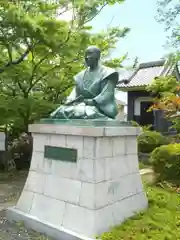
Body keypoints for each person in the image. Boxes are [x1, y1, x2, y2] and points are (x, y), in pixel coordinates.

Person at [50, 46, 119, 119]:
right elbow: (75, 92)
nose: (86, 57)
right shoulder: (80, 75)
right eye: (85, 54)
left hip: (99, 107)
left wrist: (91, 102)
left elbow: (107, 94)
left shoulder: (107, 73)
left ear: (97, 56)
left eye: (89, 54)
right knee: (60, 111)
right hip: (80, 105)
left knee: (86, 112)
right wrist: (69, 99)